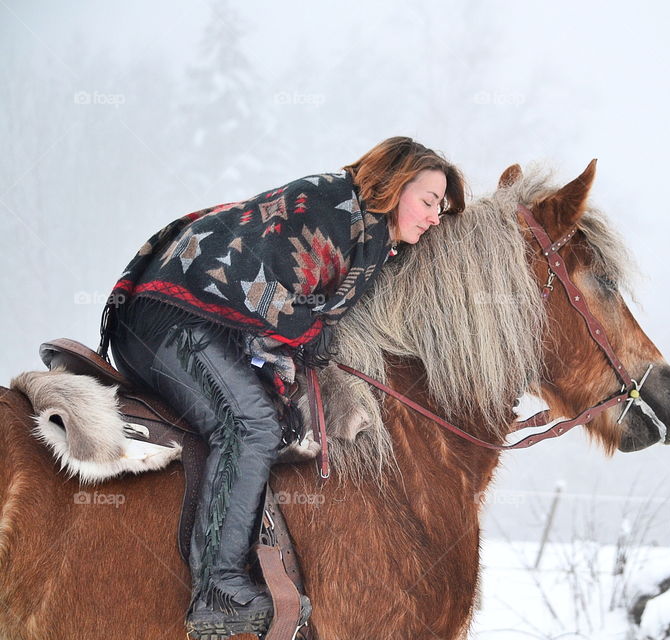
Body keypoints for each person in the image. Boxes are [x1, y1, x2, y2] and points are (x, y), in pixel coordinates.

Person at [96, 137, 466, 639]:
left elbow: (286, 316)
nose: (434, 216)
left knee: (267, 418)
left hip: (195, 319)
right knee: (250, 425)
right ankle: (218, 588)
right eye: (428, 201)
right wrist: (305, 351)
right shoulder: (332, 207)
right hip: (168, 318)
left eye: (441, 208)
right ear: (394, 185)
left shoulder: (364, 236)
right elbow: (270, 302)